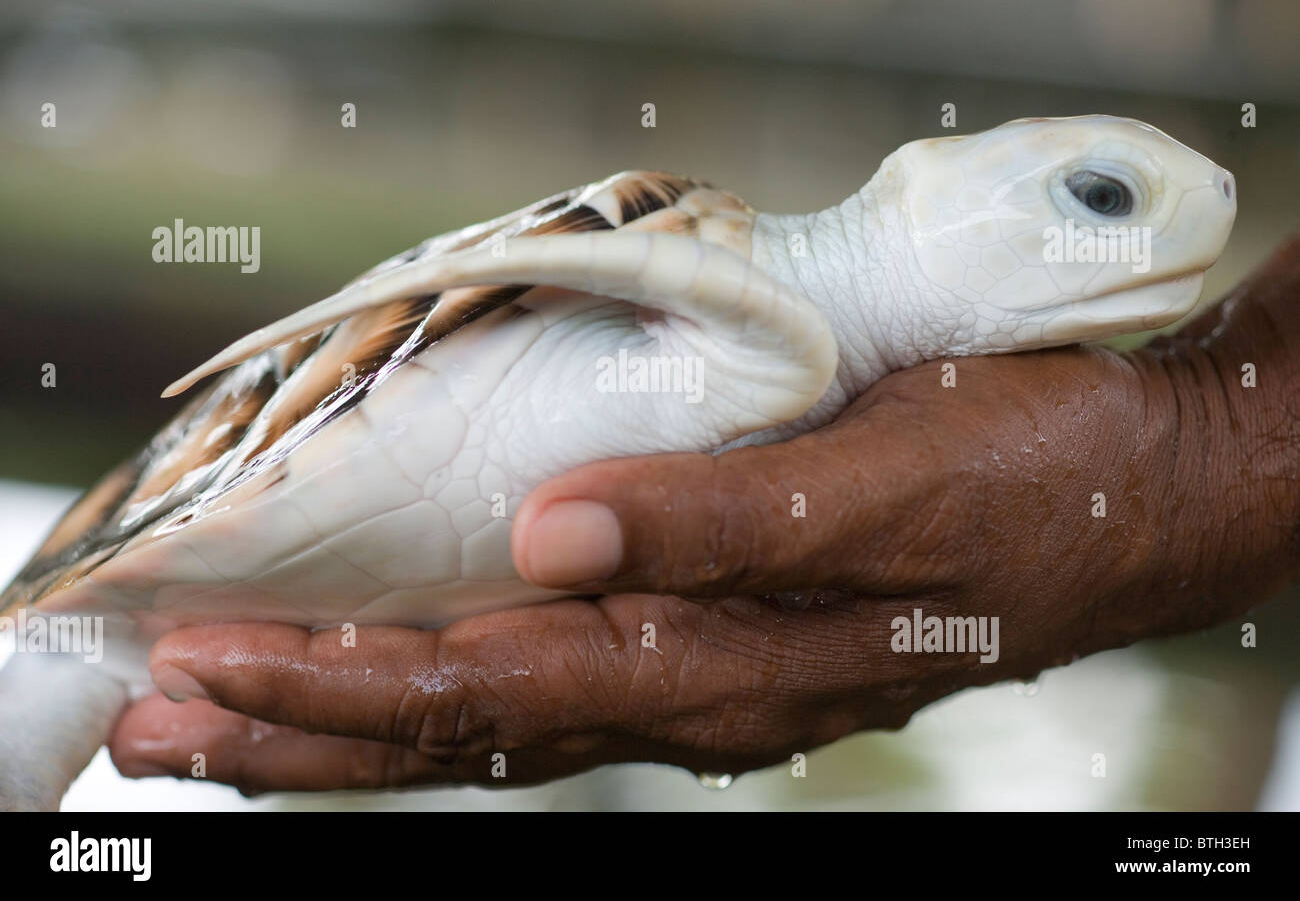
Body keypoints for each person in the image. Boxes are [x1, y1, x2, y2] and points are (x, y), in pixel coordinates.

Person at [110, 237, 1300, 793]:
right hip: (256, 473)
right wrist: (1201, 443)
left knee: (103, 674)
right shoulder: (768, 316)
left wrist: (1218, 454)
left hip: (280, 531)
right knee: (94, 663)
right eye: (1102, 202)